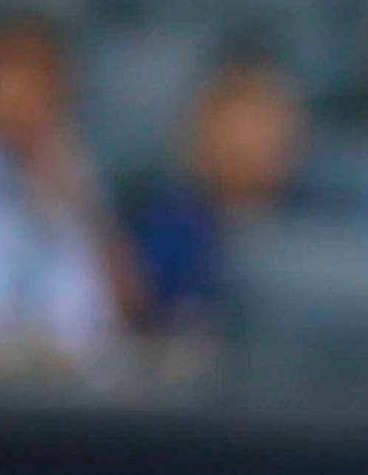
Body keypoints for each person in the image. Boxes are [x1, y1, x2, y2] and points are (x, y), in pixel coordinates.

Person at [0, 3, 126, 375]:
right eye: (9, 67)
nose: (24, 88)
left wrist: (83, 204)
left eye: (41, 72)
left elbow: (127, 317)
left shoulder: (71, 171)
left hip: (60, 404)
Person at [125, 49, 307, 334]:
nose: (246, 141)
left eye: (261, 122)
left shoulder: (316, 229)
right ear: (198, 134)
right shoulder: (161, 233)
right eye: (232, 123)